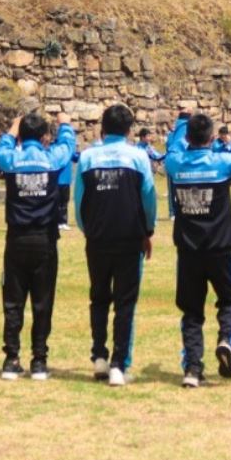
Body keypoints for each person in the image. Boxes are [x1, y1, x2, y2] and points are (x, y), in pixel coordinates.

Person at [165, 109, 231, 387]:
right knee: (229, 300)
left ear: (189, 136)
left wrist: (181, 122)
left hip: (188, 250)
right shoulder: (221, 164)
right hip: (220, 248)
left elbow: (172, 147)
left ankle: (193, 368)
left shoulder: (176, 165)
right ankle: (226, 340)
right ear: (210, 138)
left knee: (191, 310)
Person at [74, 104, 158, 386]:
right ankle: (119, 365)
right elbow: (148, 198)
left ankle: (99, 356)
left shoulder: (87, 157)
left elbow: (78, 202)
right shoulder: (138, 157)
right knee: (125, 302)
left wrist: (89, 230)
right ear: (129, 129)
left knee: (98, 297)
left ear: (102, 127)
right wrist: (148, 231)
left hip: (97, 239)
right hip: (129, 238)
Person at [0, 112, 75, 380]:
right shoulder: (51, 159)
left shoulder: (12, 159)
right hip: (45, 239)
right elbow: (68, 147)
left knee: (13, 302)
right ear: (44, 137)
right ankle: (39, 360)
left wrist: (11, 130)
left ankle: (11, 358)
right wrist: (64, 123)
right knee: (42, 301)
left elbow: (1, 148)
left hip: (16, 239)